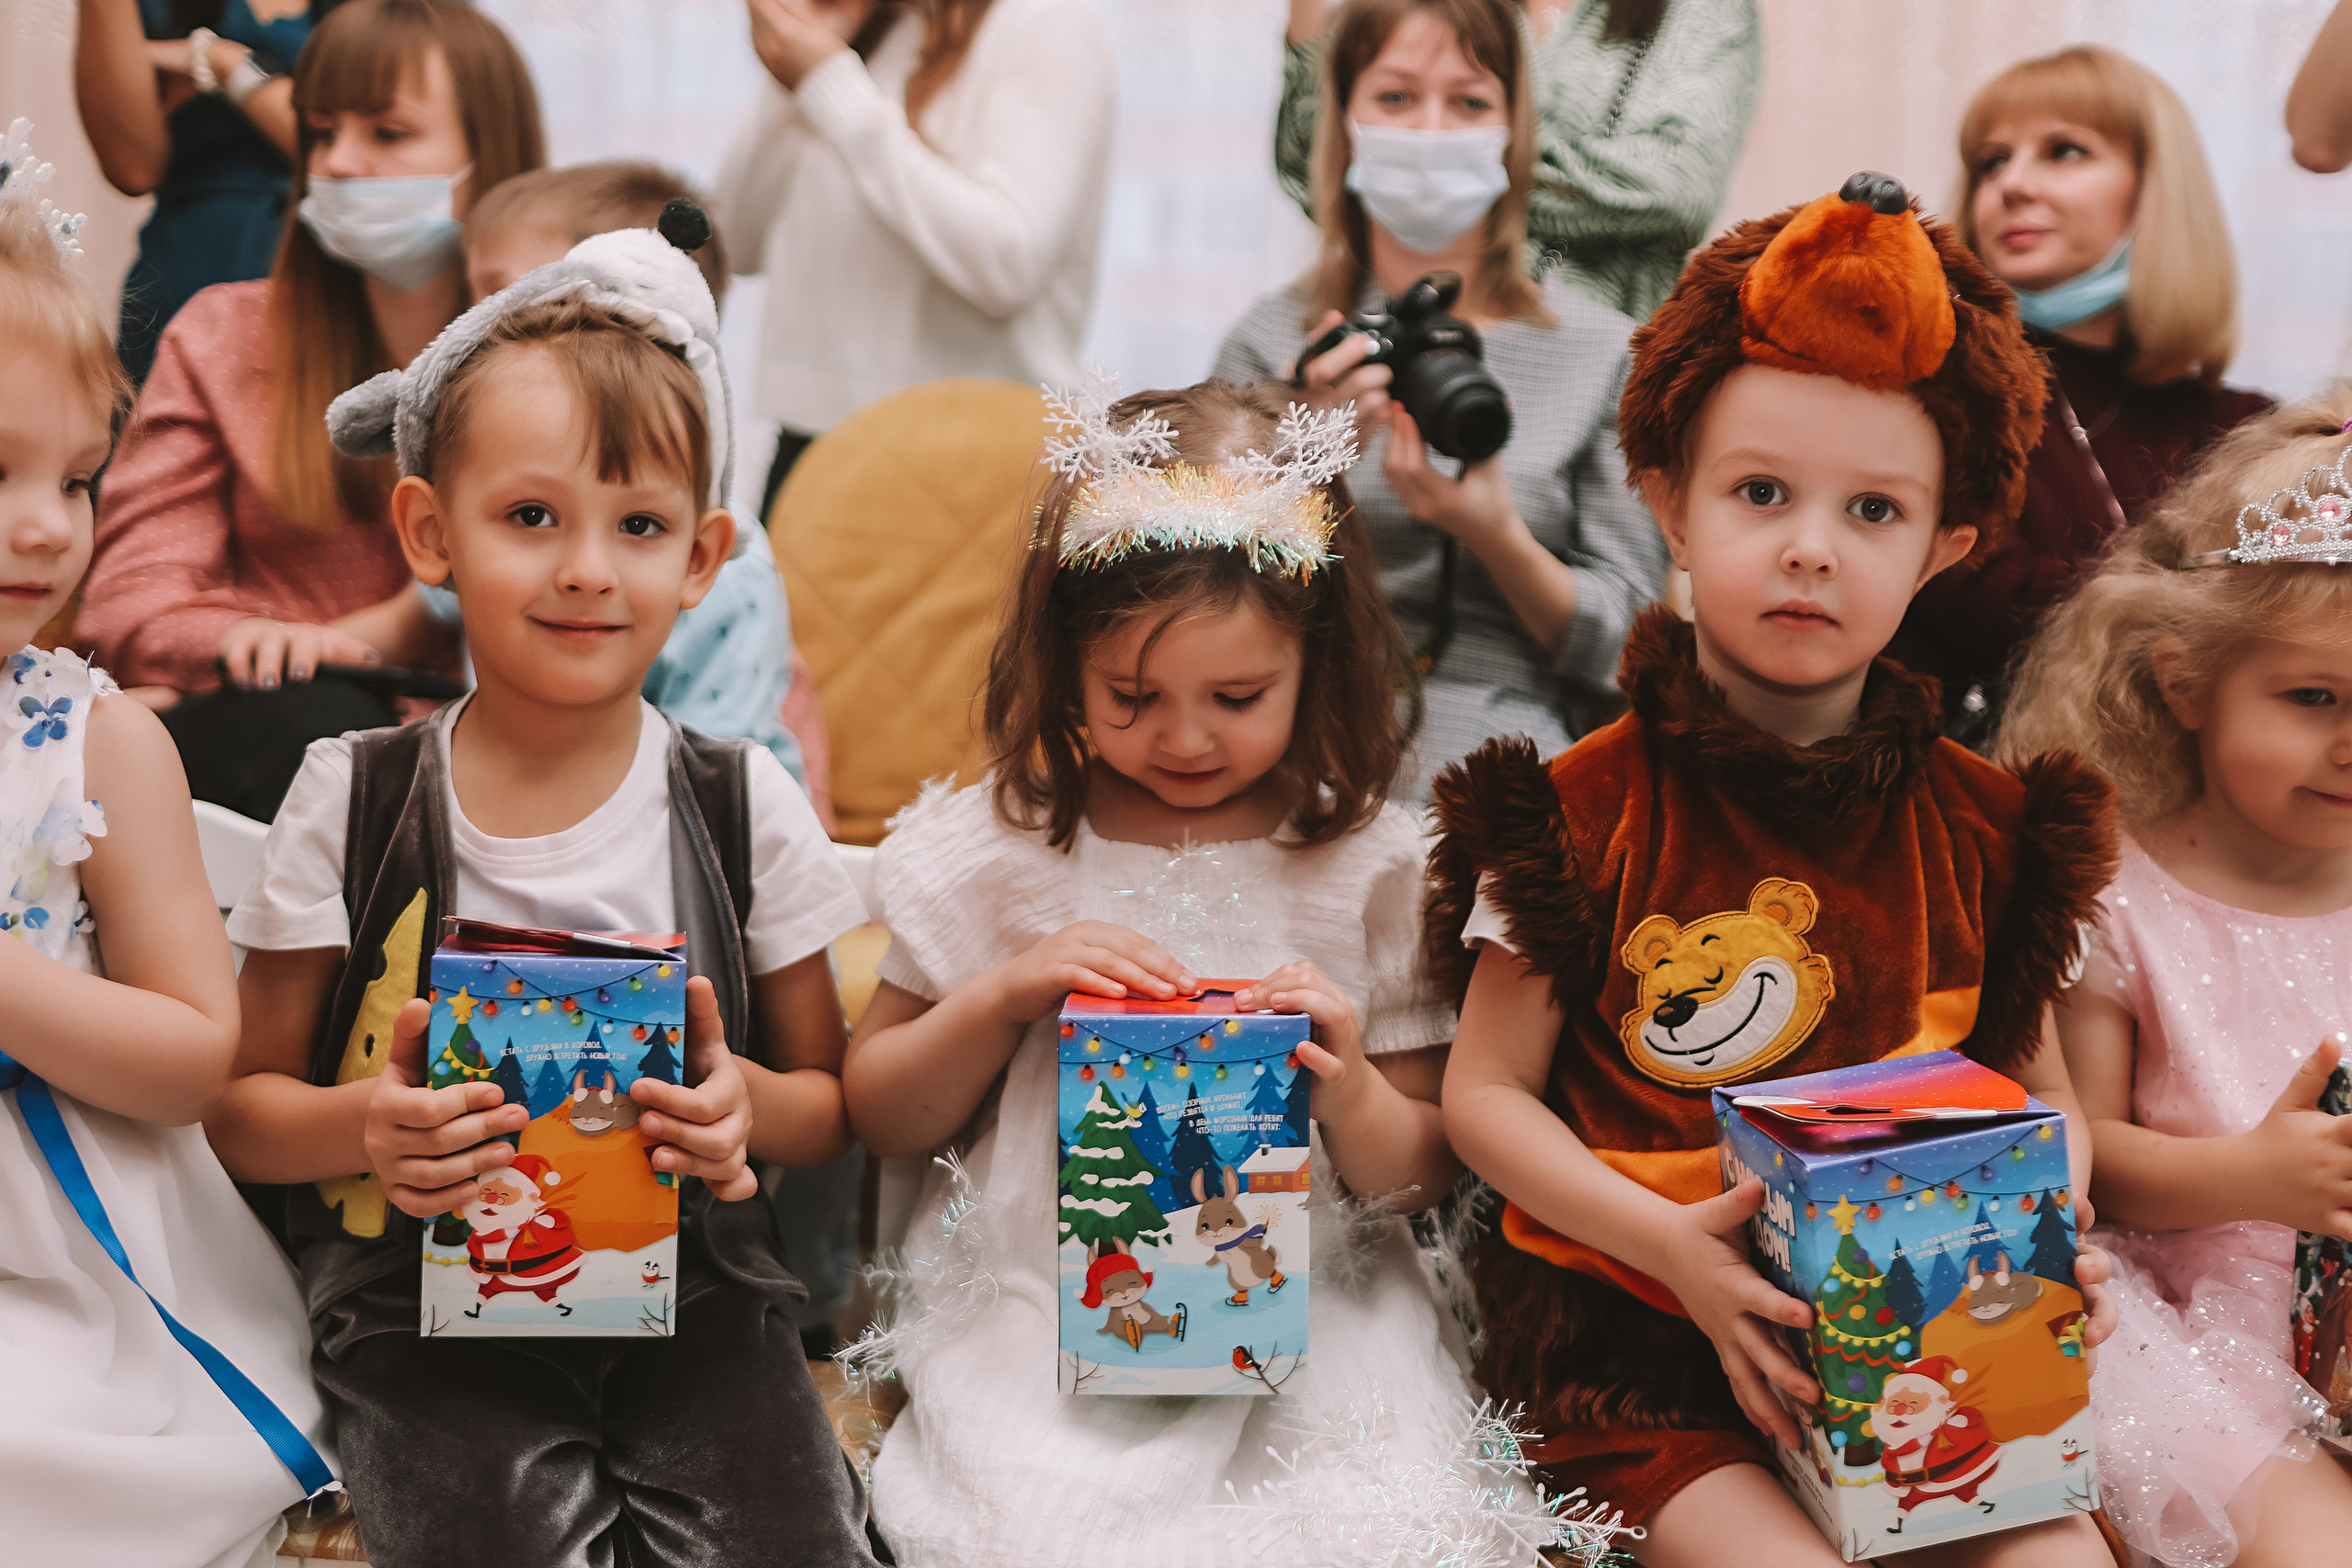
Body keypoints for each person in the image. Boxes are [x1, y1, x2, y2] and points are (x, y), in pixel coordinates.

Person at [1431, 174, 2121, 1565]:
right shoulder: (1573, 810)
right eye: (1761, 492)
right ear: (1669, 505)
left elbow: (2038, 1094)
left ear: (1946, 548)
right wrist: (1678, 1248)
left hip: (1920, 1340)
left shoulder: (1991, 828)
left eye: (1874, 512)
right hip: (1640, 1356)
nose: (1811, 543)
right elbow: (1483, 1095)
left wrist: (2045, 1221)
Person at [842, 378, 1623, 1567]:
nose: (1188, 738)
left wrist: (1349, 1076)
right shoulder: (1005, 848)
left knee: (1372, 1522)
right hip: (1043, 1305)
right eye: (1133, 697)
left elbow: (1418, 1174)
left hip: (1314, 1300)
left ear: (1316, 654)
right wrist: (1004, 997)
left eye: (1238, 697)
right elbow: (878, 1103)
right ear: (1066, 662)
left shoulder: (1367, 865)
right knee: (1041, 1528)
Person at [200, 222, 879, 1566]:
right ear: (427, 529)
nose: (585, 567)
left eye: (638, 526)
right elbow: (236, 1108)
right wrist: (366, 1125)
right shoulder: (355, 791)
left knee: (798, 1540)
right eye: (531, 516)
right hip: (418, 1300)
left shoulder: (743, 803)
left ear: (701, 558)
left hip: (698, 1292)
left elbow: (828, 1102)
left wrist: (746, 1101)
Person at [0, 131, 334, 1568]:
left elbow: (198, 1051)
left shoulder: (97, 737)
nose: (42, 526)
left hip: (55, 1262)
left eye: (77, 480)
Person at [2001, 390, 2352, 1568]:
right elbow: (2088, 1150)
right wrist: (2251, 1174)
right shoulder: (2120, 898)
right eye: (2313, 699)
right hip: (2203, 1323)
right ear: (2185, 680)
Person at [77, 0, 545, 822]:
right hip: (283, 737)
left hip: (488, 750)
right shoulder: (221, 331)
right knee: (327, 734)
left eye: (388, 134)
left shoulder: (561, 355)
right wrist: (250, 644)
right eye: (323, 133)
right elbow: (127, 601)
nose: (340, 164)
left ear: (489, 153)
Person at [1214, 0, 1665, 803]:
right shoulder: (1270, 344)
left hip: (1511, 771)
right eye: (1395, 98)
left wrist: (1497, 537)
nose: (1430, 131)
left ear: (1514, 131)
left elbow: (1635, 654)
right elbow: (1196, 602)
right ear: (1344, 123)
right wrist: (1308, 459)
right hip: (1289, 751)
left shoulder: (1604, 355)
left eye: (1469, 101)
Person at [354, 163, 816, 791]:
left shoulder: (738, 581)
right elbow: (401, 626)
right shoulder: (485, 508)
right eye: (532, 517)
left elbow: (717, 790)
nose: (482, 329)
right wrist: (297, 646)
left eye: (513, 296)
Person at [1888, 45, 2270, 738]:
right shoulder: (1923, 383)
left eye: (2064, 151)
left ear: (2155, 187)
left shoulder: (2246, 427)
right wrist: (2202, 600)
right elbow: (1979, 602)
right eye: (1992, 161)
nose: (2012, 185)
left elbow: (2292, 626)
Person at [716, 0, 1116, 522]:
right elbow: (734, 243)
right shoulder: (874, 26)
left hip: (966, 462)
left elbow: (1008, 264)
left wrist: (828, 83)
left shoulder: (1048, 23)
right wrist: (791, 73)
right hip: (812, 445)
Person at [1276, 0, 1760, 322]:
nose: (1435, 132)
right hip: (1413, 326)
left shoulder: (1701, 10)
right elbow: (1316, 173)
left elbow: (1677, 186)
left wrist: (1453, 163)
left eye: (1469, 105)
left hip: (1612, 356)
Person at [74, 0, 335, 384]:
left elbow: (345, 154)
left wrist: (221, 62)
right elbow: (133, 168)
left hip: (324, 268)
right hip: (188, 268)